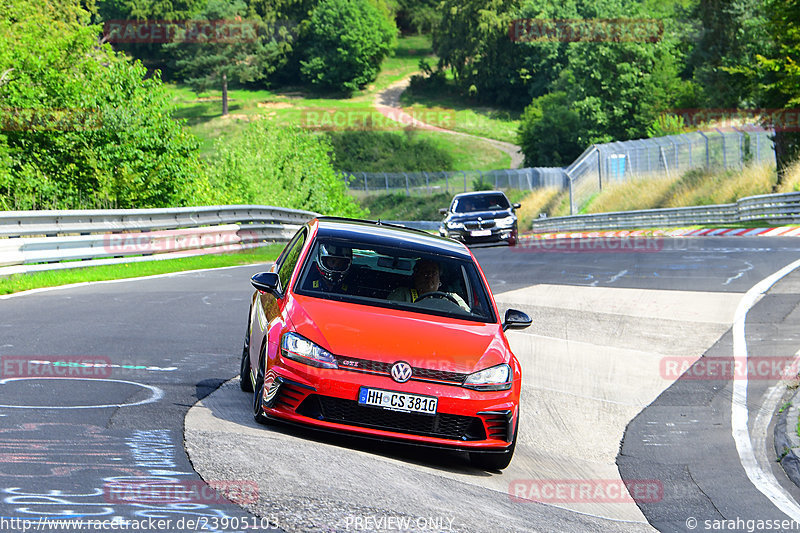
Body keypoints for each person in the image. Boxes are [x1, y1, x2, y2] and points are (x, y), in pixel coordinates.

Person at [387, 259, 469, 311]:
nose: (429, 276)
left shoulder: (452, 298)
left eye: (433, 273)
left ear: (439, 280)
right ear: (416, 276)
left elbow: (468, 317)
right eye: (424, 272)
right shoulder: (402, 294)